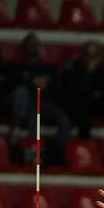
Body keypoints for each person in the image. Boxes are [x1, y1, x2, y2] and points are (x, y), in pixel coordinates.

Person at [9, 33, 71, 166]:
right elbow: (15, 84)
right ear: (25, 47)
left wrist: (36, 82)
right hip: (30, 104)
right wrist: (34, 81)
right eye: (30, 44)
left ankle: (57, 154)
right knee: (34, 122)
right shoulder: (17, 68)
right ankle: (35, 156)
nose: (33, 46)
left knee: (64, 120)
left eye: (35, 43)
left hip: (46, 102)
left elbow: (56, 87)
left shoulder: (49, 68)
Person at [61, 41, 104, 141]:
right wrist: (88, 73)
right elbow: (75, 89)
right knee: (82, 104)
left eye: (94, 55)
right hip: (78, 105)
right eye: (88, 55)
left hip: (96, 104)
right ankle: (84, 137)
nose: (91, 58)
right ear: (83, 55)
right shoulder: (74, 67)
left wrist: (93, 75)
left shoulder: (102, 69)